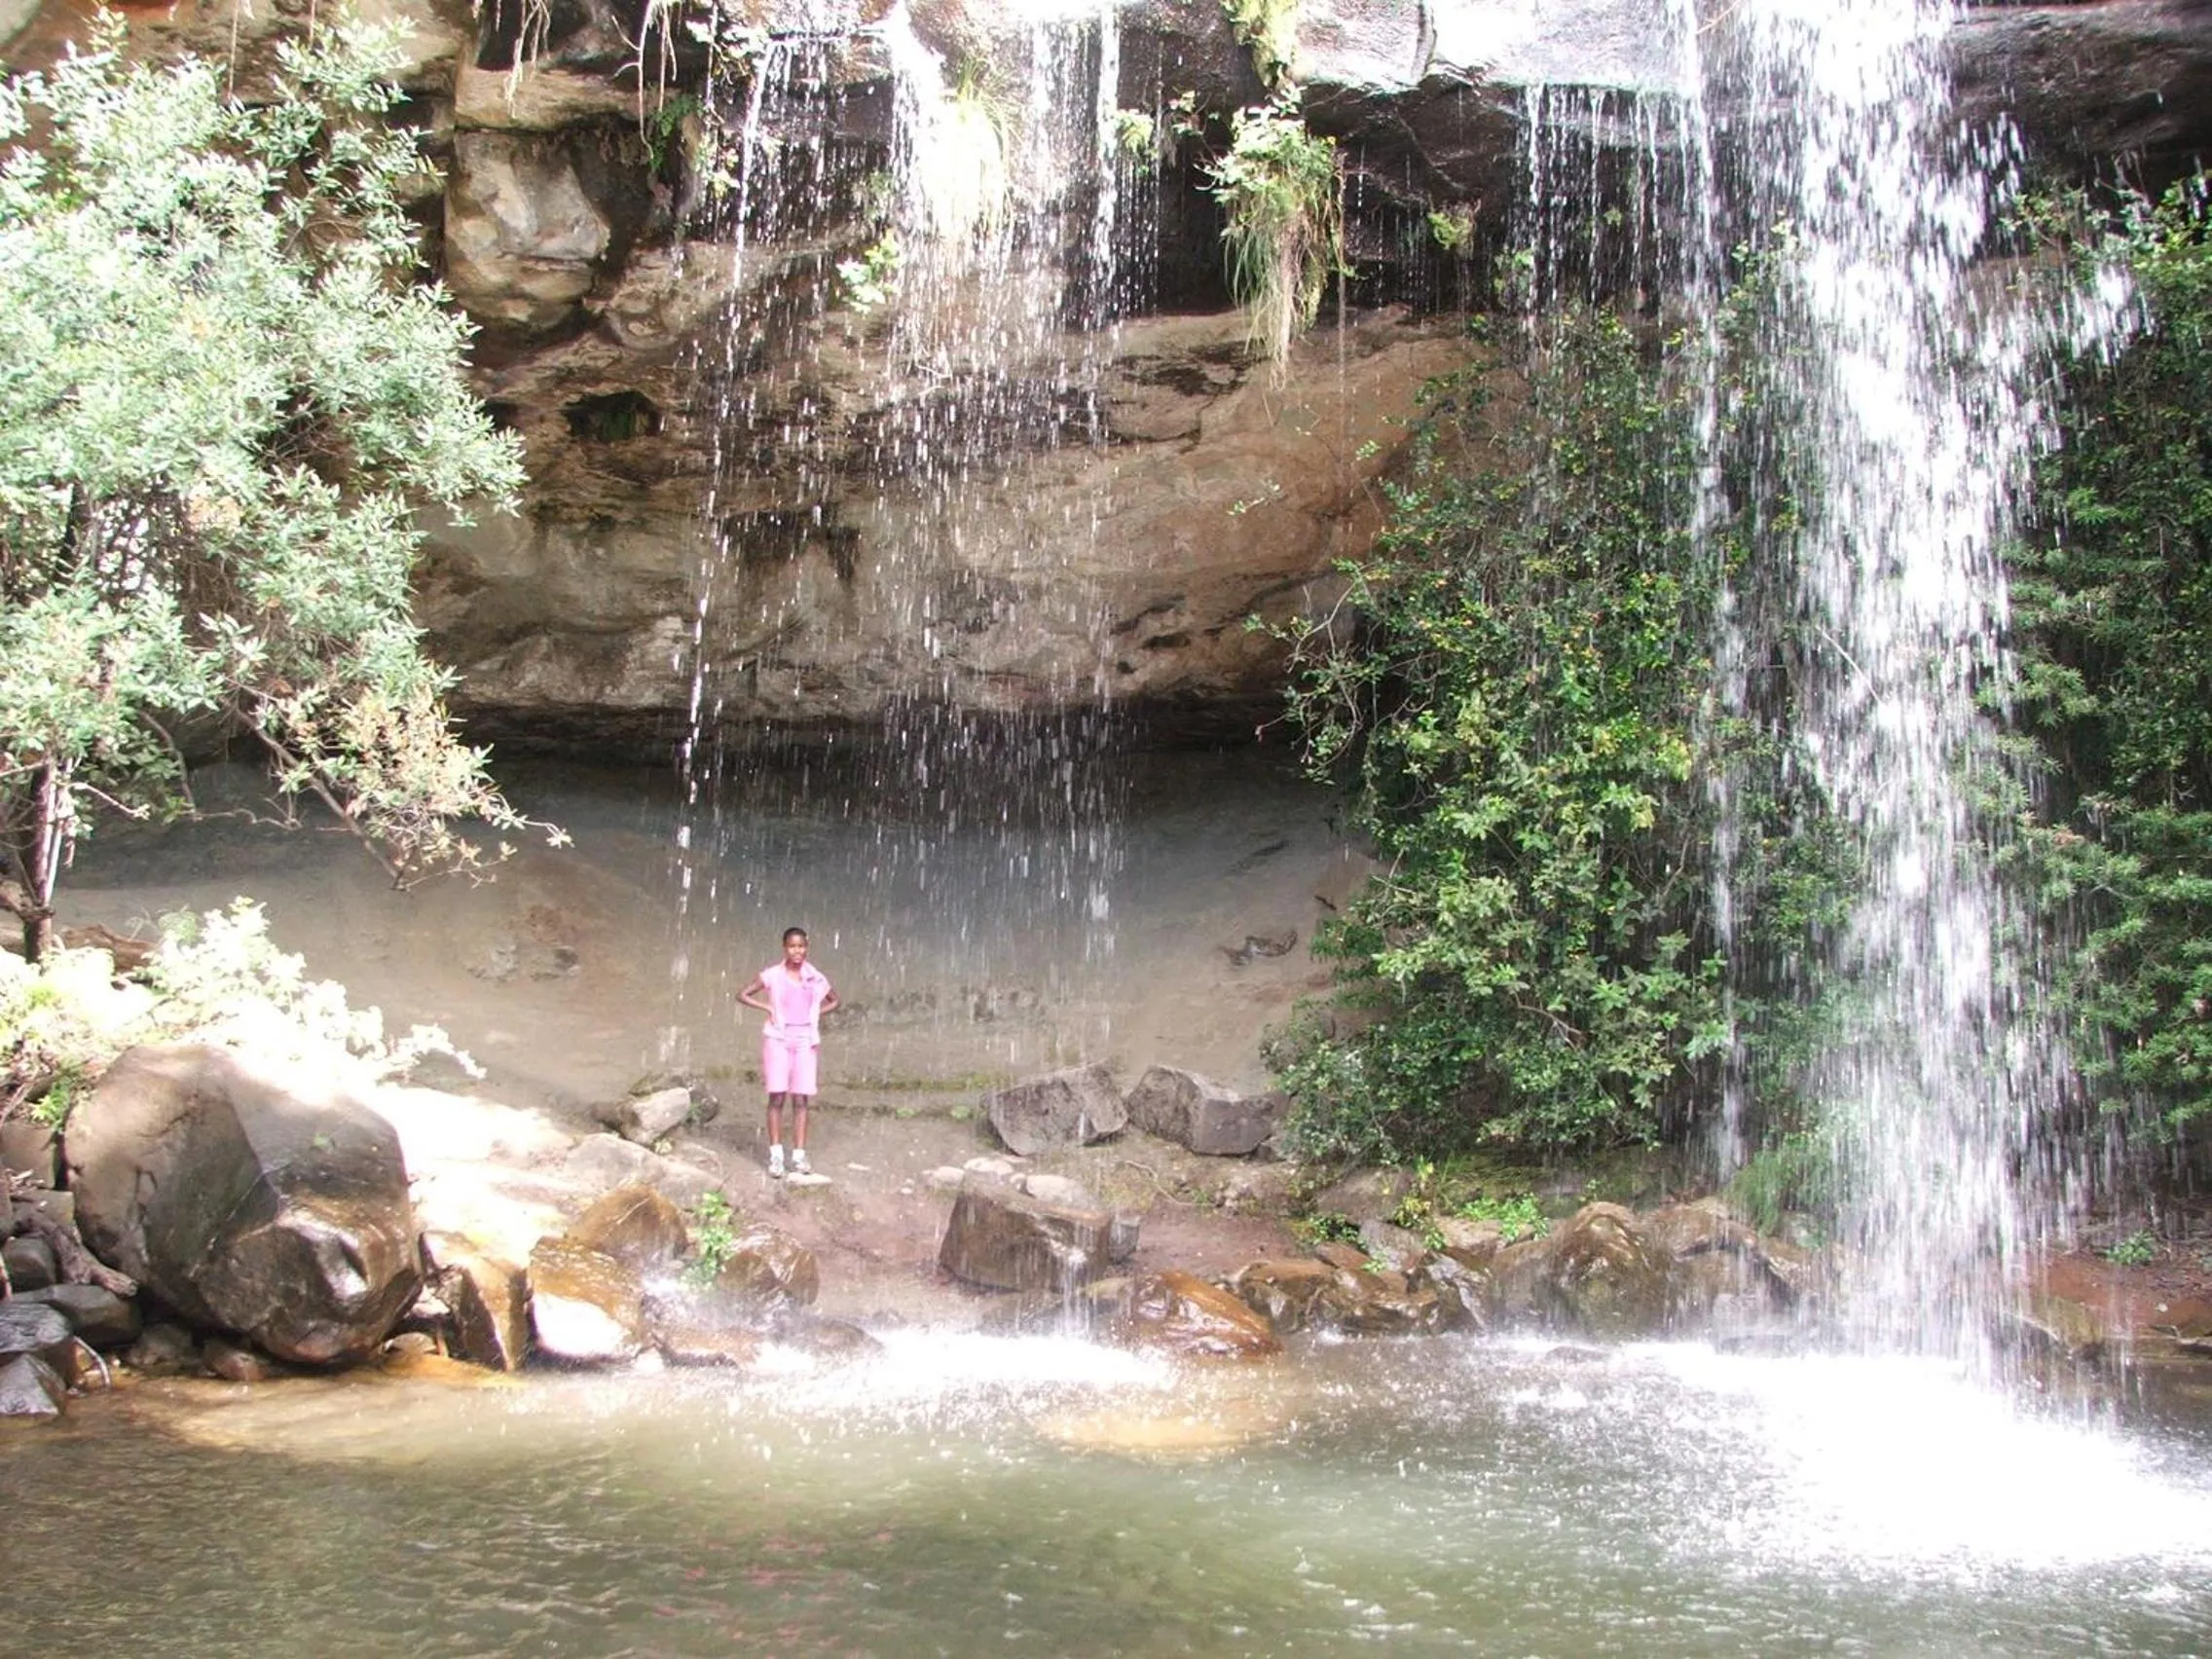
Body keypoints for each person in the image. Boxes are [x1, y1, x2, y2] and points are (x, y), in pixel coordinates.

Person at [738, 926, 838, 1178]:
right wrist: (768, 1009)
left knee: (801, 1099)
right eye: (793, 946)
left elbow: (835, 1000)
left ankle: (799, 1156)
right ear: (785, 948)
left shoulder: (815, 977)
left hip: (805, 1038)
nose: (797, 951)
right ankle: (776, 1156)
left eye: (801, 946)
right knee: (777, 1097)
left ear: (807, 947)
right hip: (778, 1038)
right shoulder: (772, 975)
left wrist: (814, 1014)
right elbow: (743, 994)